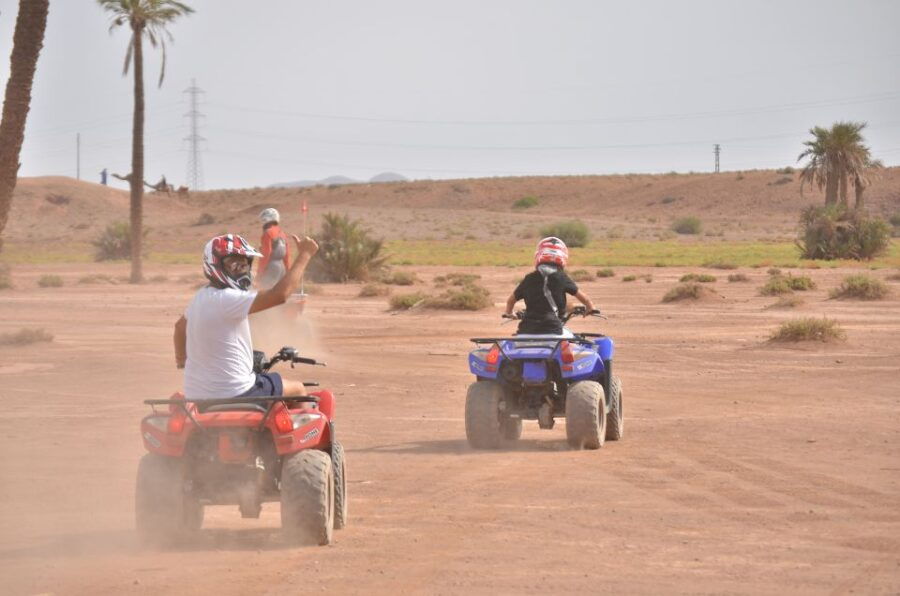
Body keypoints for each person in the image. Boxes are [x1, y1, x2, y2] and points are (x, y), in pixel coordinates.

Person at [173, 233, 319, 400]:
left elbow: (179, 327)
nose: (241, 271)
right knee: (298, 389)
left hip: (197, 395)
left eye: (244, 265)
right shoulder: (227, 298)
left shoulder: (200, 298)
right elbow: (280, 295)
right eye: (234, 266)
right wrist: (305, 255)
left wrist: (183, 362)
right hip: (238, 392)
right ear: (214, 265)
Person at [504, 236, 596, 336]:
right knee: (574, 343)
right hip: (552, 332)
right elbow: (584, 299)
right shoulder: (561, 277)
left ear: (538, 256)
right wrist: (590, 307)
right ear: (563, 258)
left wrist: (509, 313)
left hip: (525, 332)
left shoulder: (529, 278)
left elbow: (510, 301)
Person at [257, 208, 291, 290]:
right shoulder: (282, 234)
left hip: (271, 266)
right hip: (282, 267)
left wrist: (260, 272)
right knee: (278, 293)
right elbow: (287, 255)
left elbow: (266, 254)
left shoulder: (268, 233)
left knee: (265, 291)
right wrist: (288, 271)